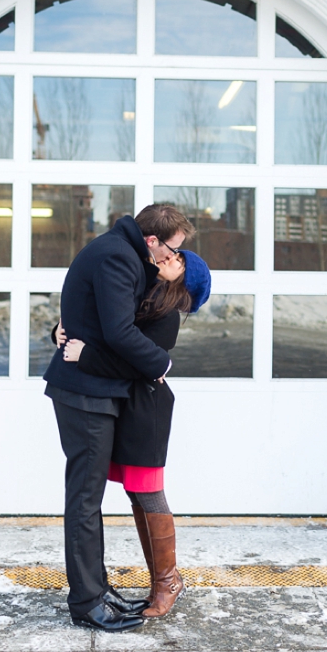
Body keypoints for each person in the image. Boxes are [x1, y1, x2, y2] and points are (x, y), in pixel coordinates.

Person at [43, 205, 194, 632]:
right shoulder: (116, 256)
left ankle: (98, 590)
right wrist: (160, 365)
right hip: (85, 394)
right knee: (86, 501)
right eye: (171, 250)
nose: (171, 258)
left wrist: (67, 330)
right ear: (151, 240)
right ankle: (88, 602)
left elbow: (94, 311)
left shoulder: (122, 254)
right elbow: (118, 330)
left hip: (95, 391)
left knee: (91, 501)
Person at [61, 247, 211, 618]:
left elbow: (135, 364)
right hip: (127, 406)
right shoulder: (141, 296)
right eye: (173, 253)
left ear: (185, 282)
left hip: (148, 410)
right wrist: (61, 331)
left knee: (149, 491)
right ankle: (160, 580)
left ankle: (168, 582)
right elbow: (107, 330)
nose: (170, 257)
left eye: (179, 261)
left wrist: (86, 356)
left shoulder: (167, 318)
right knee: (135, 491)